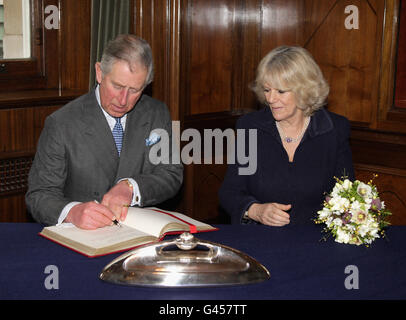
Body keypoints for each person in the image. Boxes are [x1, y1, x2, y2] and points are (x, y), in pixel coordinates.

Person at [26, 34, 183, 229]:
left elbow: (170, 174)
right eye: (117, 86)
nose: (123, 100)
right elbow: (39, 195)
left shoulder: (156, 112)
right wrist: (73, 212)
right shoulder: (61, 123)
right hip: (84, 237)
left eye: (135, 90)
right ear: (99, 73)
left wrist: (131, 187)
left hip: (139, 233)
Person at [219, 46, 354, 226]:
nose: (271, 99)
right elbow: (230, 192)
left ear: (304, 90)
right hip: (261, 238)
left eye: (281, 91)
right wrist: (256, 211)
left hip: (316, 240)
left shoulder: (334, 129)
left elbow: (347, 195)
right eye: (267, 90)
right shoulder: (251, 127)